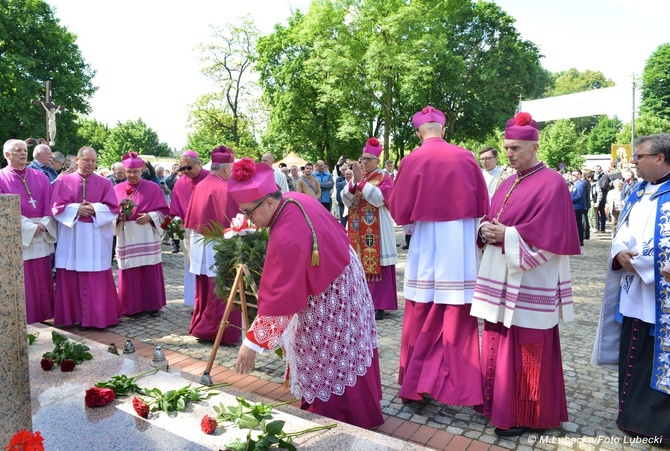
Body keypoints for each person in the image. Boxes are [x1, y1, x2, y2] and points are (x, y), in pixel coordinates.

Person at [230, 159, 383, 429]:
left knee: (323, 352)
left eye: (249, 212)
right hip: (342, 274)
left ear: (268, 201)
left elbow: (282, 299)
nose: (247, 218)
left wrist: (251, 344)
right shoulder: (291, 199)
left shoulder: (287, 232)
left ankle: (336, 419)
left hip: (330, 293)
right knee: (344, 348)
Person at [472, 112, 580, 437]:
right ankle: (497, 404)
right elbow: (490, 218)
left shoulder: (553, 184)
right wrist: (484, 229)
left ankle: (526, 413)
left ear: (535, 146)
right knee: (498, 342)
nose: (509, 154)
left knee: (527, 348)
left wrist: (506, 236)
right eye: (506, 148)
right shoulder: (507, 180)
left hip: (532, 282)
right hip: (502, 279)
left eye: (516, 148)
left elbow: (550, 236)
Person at [389, 105, 488, 407]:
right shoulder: (465, 157)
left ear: (419, 132)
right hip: (458, 251)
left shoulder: (412, 159)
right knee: (456, 317)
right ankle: (463, 388)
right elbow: (482, 202)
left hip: (427, 248)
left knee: (421, 312)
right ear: (443, 130)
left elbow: (398, 209)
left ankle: (416, 385)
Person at [592, 134, 670, 442]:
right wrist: (618, 252)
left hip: (662, 296)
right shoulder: (638, 191)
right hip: (634, 289)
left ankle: (657, 428)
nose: (633, 161)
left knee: (656, 358)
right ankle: (630, 416)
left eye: (639, 156)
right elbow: (621, 231)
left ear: (660, 159)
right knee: (633, 354)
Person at [51, 146, 120, 329]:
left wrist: (95, 209)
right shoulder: (63, 181)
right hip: (72, 234)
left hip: (95, 236)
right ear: (77, 160)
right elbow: (55, 207)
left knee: (96, 274)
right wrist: (76, 209)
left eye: (93, 161)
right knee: (70, 273)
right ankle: (73, 316)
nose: (90, 164)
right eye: (86, 160)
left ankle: (97, 317)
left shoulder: (104, 183)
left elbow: (113, 208)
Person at [184, 146, 242, 344]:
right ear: (226, 167)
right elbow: (235, 222)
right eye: (232, 167)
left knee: (204, 287)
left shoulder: (201, 184)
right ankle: (222, 333)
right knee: (222, 287)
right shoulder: (225, 188)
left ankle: (203, 327)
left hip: (201, 242)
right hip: (219, 243)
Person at [0, 139, 56, 323]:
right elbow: (4, 209)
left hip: (42, 230)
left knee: (43, 272)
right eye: (18, 150)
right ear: (7, 155)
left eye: (24, 150)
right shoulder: (1, 178)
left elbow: (51, 202)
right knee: (26, 277)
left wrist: (46, 222)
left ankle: (46, 314)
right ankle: (28, 316)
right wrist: (31, 227)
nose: (23, 153)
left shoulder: (40, 176)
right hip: (19, 234)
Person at [343, 138, 397, 320]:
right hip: (358, 228)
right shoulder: (361, 177)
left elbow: (379, 199)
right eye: (362, 159)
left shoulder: (384, 178)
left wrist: (361, 182)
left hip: (378, 230)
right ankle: (361, 301)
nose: (364, 162)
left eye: (368, 159)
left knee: (378, 264)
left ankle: (379, 305)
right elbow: (346, 199)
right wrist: (353, 183)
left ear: (377, 161)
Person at [113, 152, 169, 317]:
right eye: (128, 172)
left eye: (135, 172)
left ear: (142, 170)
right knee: (130, 271)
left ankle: (153, 305)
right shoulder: (116, 189)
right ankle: (131, 307)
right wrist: (118, 216)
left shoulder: (153, 188)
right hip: (126, 234)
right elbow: (110, 211)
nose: (131, 175)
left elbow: (164, 211)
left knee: (149, 269)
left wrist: (150, 216)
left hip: (146, 233)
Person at [169, 150, 209, 308]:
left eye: (189, 168)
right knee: (191, 266)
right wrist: (177, 219)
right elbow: (175, 207)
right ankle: (194, 302)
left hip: (210, 231)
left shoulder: (211, 179)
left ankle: (208, 302)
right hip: (190, 231)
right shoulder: (180, 183)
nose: (185, 172)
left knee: (208, 267)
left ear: (199, 163)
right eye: (182, 168)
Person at [570, 169, 588, 246]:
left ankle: (580, 240)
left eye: (576, 175)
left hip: (578, 207)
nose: (574, 176)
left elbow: (579, 196)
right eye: (573, 175)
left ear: (579, 175)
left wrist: (569, 199)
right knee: (576, 224)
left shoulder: (580, 184)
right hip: (575, 206)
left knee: (578, 224)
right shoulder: (575, 184)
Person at [595, 165, 610, 232]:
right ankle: (597, 226)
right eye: (596, 169)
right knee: (595, 212)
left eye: (598, 169)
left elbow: (604, 186)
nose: (597, 170)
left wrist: (598, 188)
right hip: (595, 196)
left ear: (601, 169)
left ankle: (602, 227)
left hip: (602, 196)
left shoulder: (604, 176)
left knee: (601, 211)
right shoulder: (596, 176)